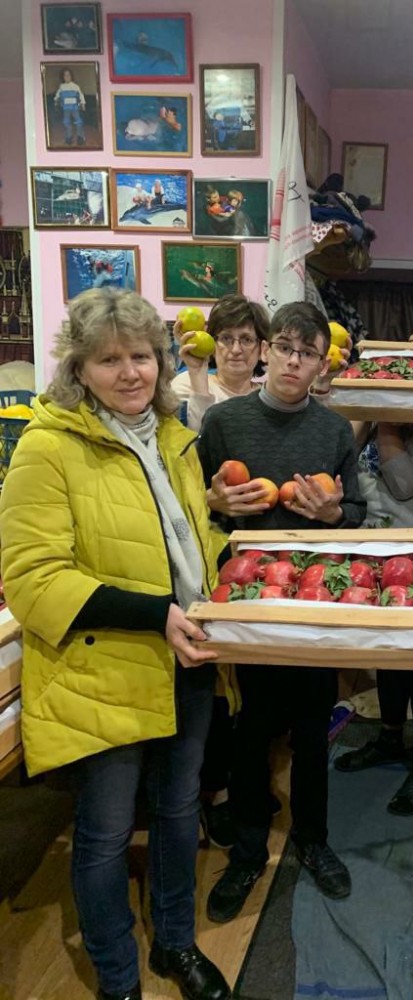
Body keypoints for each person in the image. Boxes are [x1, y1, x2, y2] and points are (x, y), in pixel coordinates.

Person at [0, 288, 231, 1000]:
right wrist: (156, 614)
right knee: (103, 834)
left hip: (187, 659)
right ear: (78, 368)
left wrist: (241, 567)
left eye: (141, 355)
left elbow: (188, 543)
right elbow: (34, 579)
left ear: (161, 361)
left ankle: (175, 943)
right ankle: (118, 978)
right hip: (101, 671)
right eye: (109, 360)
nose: (130, 372)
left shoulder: (173, 436)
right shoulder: (47, 447)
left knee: (177, 812)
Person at [198, 301, 366, 923]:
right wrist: (218, 505)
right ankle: (246, 852)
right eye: (286, 348)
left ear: (322, 364)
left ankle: (313, 840)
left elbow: (357, 513)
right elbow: (196, 505)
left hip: (313, 600)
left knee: (313, 728)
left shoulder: (335, 432)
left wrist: (334, 514)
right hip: (243, 601)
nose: (295, 361)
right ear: (266, 351)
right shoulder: (222, 422)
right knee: (251, 728)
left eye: (308, 353)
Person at [335, 323, 413, 815]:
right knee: (387, 653)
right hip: (376, 545)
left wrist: (384, 416)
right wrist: (368, 404)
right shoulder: (376, 415)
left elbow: (404, 480)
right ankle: (390, 738)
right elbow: (343, 453)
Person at [171, 294, 270, 431]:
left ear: (262, 349)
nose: (236, 350)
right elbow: (194, 441)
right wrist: (198, 379)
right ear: (213, 344)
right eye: (226, 338)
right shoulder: (185, 384)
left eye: (247, 339)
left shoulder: (269, 399)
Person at [54, 67, 86, 146]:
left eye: (68, 75)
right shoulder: (62, 87)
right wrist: (56, 101)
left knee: (78, 121)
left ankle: (80, 137)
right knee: (66, 122)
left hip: (75, 108)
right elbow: (57, 95)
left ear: (71, 76)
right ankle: (69, 137)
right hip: (66, 108)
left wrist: (83, 103)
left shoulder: (75, 86)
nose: (67, 77)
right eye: (65, 75)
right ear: (63, 77)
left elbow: (81, 95)